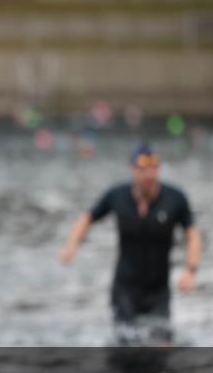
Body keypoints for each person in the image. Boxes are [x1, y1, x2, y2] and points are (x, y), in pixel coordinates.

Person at [59, 142, 201, 344]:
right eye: (143, 170)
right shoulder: (118, 195)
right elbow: (87, 218)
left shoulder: (175, 199)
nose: (149, 176)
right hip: (125, 287)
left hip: (158, 289)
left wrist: (191, 270)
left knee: (162, 346)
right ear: (133, 170)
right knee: (126, 347)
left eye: (154, 169)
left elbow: (193, 233)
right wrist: (72, 244)